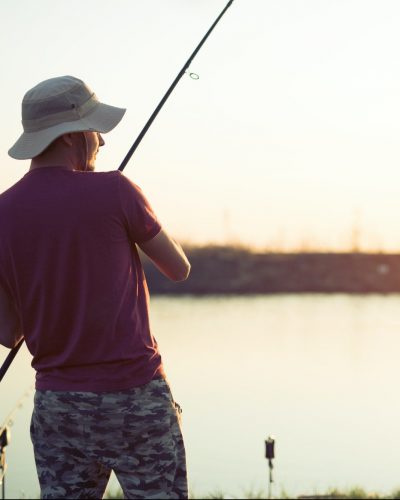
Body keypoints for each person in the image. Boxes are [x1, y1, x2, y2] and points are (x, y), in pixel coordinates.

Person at [0, 75, 191, 499]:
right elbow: (179, 268)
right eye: (96, 132)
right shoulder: (116, 189)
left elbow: (7, 332)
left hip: (59, 407)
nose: (101, 143)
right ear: (72, 138)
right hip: (135, 399)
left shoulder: (1, 212)